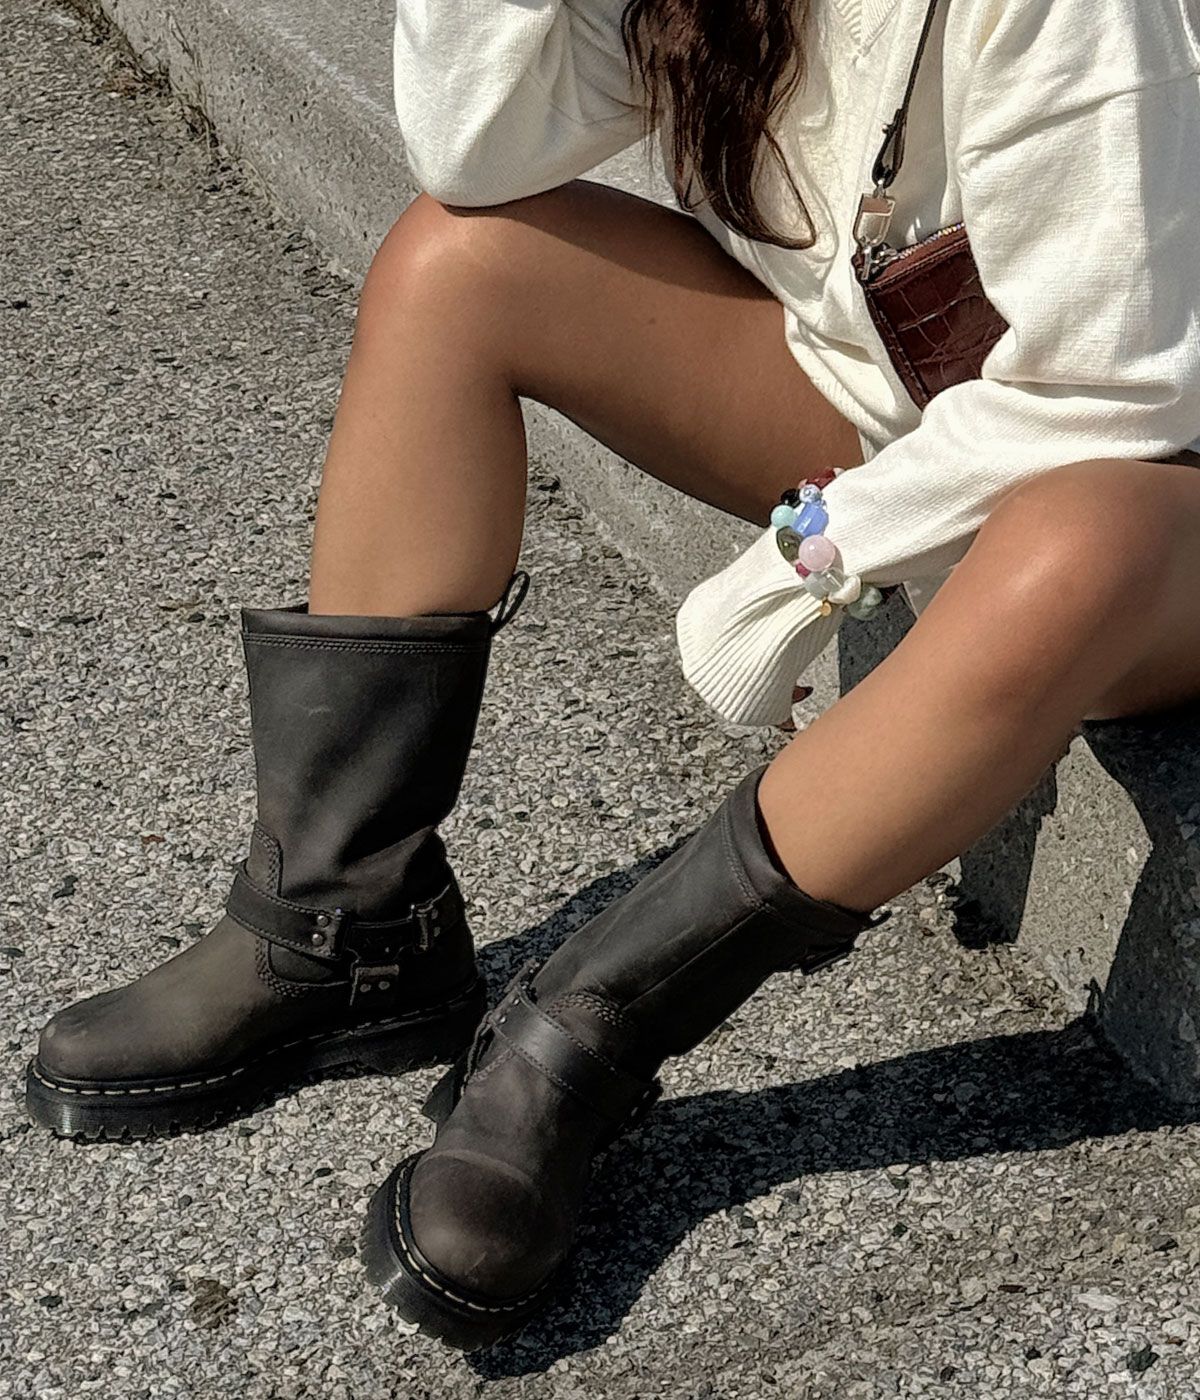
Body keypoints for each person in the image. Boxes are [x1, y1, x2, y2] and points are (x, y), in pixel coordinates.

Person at [27, 0, 1200, 1353]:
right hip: (909, 402)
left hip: (1139, 488)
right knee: (461, 262)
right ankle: (338, 925)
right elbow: (474, 145)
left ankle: (579, 1039)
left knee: (1071, 549)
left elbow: (1118, 395)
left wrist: (801, 561)